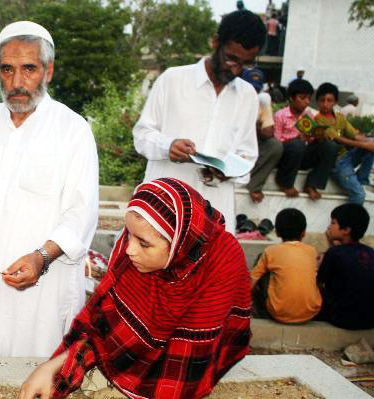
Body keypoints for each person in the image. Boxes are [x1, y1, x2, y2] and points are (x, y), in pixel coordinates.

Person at [18, 178, 252, 399]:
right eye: (127, 234)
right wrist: (51, 367)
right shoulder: (134, 250)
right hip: (153, 338)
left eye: (143, 243)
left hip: (200, 346)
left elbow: (191, 347)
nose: (129, 250)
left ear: (179, 243)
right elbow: (103, 321)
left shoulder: (221, 262)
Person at [0, 21, 99, 357]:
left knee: (30, 382)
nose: (16, 83)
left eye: (28, 69)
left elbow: (81, 214)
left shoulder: (73, 130)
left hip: (42, 287)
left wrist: (42, 257)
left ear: (48, 71)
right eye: (7, 69)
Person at [133, 10, 266, 233]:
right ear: (215, 43)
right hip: (164, 206)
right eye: (231, 58)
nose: (236, 70)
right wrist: (169, 146)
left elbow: (247, 154)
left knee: (211, 268)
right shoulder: (173, 80)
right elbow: (142, 135)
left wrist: (229, 170)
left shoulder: (247, 95)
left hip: (214, 211)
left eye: (246, 64)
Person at [251, 208, 321, 323]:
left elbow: (251, 282)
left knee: (261, 263)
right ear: (303, 233)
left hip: (278, 313)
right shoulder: (312, 251)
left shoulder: (271, 251)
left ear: (277, 232)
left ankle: (259, 312)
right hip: (310, 313)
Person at [273, 78, 338, 200]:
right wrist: (297, 138)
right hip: (286, 157)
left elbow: (311, 137)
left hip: (303, 156)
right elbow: (277, 143)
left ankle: (312, 184)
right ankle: (285, 183)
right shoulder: (280, 115)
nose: (307, 102)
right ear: (292, 98)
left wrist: (318, 136)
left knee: (330, 146)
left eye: (309, 98)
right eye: (302, 98)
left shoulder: (307, 114)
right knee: (297, 144)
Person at [313, 82, 374, 205]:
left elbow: (355, 135)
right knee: (359, 196)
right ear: (317, 101)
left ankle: (362, 179)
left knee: (372, 144)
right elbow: (337, 139)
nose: (325, 104)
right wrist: (364, 145)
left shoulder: (340, 117)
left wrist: (368, 141)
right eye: (322, 100)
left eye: (329, 100)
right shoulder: (317, 120)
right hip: (336, 163)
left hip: (347, 157)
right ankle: (348, 221)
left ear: (335, 102)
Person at [317, 204, 374, 330]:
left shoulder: (334, 253)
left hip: (342, 319)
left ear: (346, 230)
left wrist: (321, 264)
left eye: (333, 223)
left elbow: (319, 283)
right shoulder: (370, 252)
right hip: (370, 321)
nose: (328, 227)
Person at [241, 68, 283, 203]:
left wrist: (255, 121)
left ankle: (254, 185)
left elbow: (268, 133)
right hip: (233, 141)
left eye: (256, 89)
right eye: (251, 88)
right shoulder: (235, 99)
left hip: (253, 140)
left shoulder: (262, 103)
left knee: (275, 145)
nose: (254, 92)